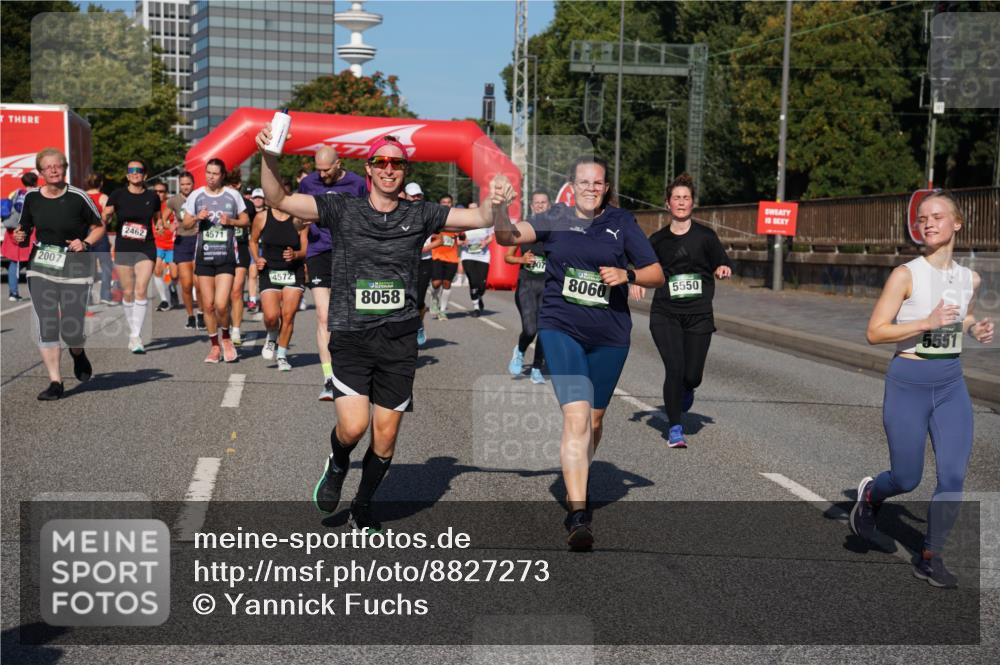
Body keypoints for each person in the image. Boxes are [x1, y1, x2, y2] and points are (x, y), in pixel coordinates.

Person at [255, 126, 513, 532]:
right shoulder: (342, 208)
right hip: (352, 336)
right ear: (369, 169)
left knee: (385, 438)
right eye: (381, 162)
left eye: (397, 163)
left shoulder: (421, 212)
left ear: (404, 169)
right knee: (354, 427)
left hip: (398, 339)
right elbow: (280, 199)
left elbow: (480, 216)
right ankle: (339, 463)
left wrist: (496, 199)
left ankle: (363, 503)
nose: (389, 169)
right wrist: (270, 156)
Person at [495, 155, 664, 551]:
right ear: (572, 185)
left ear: (606, 187)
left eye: (598, 183)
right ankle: (578, 512)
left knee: (595, 419)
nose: (590, 188)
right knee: (576, 416)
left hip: (610, 333)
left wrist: (629, 274)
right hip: (561, 328)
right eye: (584, 182)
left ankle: (578, 472)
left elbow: (657, 273)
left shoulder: (621, 222)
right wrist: (500, 207)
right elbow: (507, 238)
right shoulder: (553, 217)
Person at [849, 191, 994, 589]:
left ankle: (930, 556)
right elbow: (875, 332)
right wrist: (924, 323)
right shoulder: (906, 274)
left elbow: (961, 316)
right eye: (922, 218)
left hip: (950, 384)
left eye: (936, 216)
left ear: (957, 224)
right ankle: (872, 496)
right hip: (908, 384)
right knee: (906, 477)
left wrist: (974, 327)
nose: (927, 223)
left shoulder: (970, 278)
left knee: (952, 477)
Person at [644, 174, 732, 448]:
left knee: (692, 375)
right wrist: (635, 279)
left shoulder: (706, 237)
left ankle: (687, 388)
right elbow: (643, 266)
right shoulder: (657, 240)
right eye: (676, 198)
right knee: (675, 367)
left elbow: (722, 261)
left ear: (692, 203)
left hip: (699, 314)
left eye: (686, 198)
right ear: (667, 204)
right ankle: (675, 428)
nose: (681, 202)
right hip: (665, 313)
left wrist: (722, 268)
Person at [13, 148, 103, 400]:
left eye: (57, 166)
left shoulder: (78, 197)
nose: (53, 170)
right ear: (40, 172)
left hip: (74, 265)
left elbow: (98, 227)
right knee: (48, 322)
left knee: (71, 327)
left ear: (64, 169)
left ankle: (77, 352)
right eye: (47, 167)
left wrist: (85, 243)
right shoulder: (32, 198)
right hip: (41, 266)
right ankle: (55, 381)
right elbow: (24, 228)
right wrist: (20, 236)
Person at [297, 145, 367, 400]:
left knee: (348, 316)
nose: (322, 174)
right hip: (319, 252)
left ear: (339, 164)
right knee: (324, 317)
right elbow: (296, 216)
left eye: (327, 170)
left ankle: (350, 370)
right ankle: (329, 378)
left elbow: (367, 215)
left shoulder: (358, 184)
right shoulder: (308, 184)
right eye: (318, 170)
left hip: (348, 253)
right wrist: (300, 221)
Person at [180, 158, 249, 364]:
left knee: (221, 304)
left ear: (222, 176)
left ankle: (226, 338)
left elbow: (246, 220)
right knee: (208, 306)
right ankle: (215, 346)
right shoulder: (196, 195)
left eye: (215, 173)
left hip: (226, 256)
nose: (210, 177)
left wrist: (232, 221)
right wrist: (196, 218)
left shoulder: (233, 195)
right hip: (204, 257)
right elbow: (185, 223)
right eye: (208, 173)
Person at [102, 159, 161, 353]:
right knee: (127, 292)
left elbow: (157, 219)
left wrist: (161, 226)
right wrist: (106, 216)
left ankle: (135, 336)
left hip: (146, 247)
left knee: (141, 289)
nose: (135, 173)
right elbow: (107, 214)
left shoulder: (152, 197)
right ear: (127, 175)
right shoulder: (117, 195)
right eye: (131, 170)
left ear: (145, 175)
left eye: (139, 170)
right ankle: (133, 332)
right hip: (124, 247)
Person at [250, 180, 309, 371]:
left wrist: (296, 254)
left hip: (293, 272)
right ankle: (272, 334)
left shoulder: (299, 218)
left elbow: (306, 249)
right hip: (270, 271)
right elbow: (253, 240)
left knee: (288, 315)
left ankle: (282, 355)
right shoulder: (262, 217)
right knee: (271, 316)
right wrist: (257, 257)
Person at [505, 189, 551, 384]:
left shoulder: (556, 231)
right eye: (537, 202)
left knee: (545, 329)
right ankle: (520, 350)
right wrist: (521, 259)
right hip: (527, 284)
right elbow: (507, 257)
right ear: (532, 206)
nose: (540, 205)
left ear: (549, 206)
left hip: (549, 285)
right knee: (530, 329)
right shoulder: (521, 228)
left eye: (544, 202)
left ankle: (537, 367)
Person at [405, 183, 441, 346]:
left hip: (424, 262)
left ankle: (418, 325)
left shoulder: (428, 216)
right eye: (413, 195)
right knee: (404, 300)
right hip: (404, 264)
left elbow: (440, 239)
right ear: (405, 196)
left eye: (419, 195)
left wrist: (425, 248)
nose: (416, 198)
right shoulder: (398, 213)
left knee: (418, 301)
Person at [168, 171, 203, 329]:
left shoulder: (200, 198)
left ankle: (201, 313)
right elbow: (162, 220)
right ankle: (190, 316)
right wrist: (169, 225)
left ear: (193, 184)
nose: (185, 187)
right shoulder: (174, 200)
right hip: (182, 242)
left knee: (199, 283)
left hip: (198, 240)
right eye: (182, 184)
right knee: (186, 284)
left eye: (188, 183)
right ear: (179, 185)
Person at [225, 170, 254, 347]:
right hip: (220, 250)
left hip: (241, 249)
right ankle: (225, 328)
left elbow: (255, 229)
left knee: (236, 291)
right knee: (223, 295)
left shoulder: (247, 206)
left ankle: (235, 329)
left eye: (231, 186)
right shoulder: (216, 203)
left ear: (238, 186)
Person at [2, 172, 38, 301]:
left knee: (13, 262)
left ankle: (13, 293)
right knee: (33, 262)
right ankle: (36, 293)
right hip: (28, 231)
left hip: (12, 231)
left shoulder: (15, 193)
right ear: (35, 182)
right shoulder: (36, 194)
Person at [83, 172, 115, 306]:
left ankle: (87, 297)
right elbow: (107, 215)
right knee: (106, 265)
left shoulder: (82, 196)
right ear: (101, 183)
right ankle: (105, 296)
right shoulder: (103, 197)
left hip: (85, 233)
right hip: (99, 232)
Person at [151, 181, 178, 312]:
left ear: (166, 193)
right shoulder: (150, 205)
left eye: (161, 191)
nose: (158, 194)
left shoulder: (171, 205)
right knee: (156, 271)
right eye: (156, 191)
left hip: (172, 245)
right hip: (157, 244)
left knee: (175, 275)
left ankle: (171, 288)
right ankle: (164, 300)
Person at [459, 219, 493, 317]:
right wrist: (462, 241)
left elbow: (491, 237)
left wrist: (485, 242)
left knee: (482, 285)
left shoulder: (486, 222)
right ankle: (476, 307)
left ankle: (479, 296)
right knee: (473, 281)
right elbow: (457, 239)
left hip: (483, 256)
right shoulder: (463, 223)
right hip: (467, 255)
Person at [245, 187, 267, 315]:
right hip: (253, 246)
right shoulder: (248, 213)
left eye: (260, 198)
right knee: (252, 273)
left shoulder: (268, 213)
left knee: (264, 274)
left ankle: (265, 300)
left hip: (266, 246)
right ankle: (252, 300)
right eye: (255, 198)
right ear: (252, 199)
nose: (258, 200)